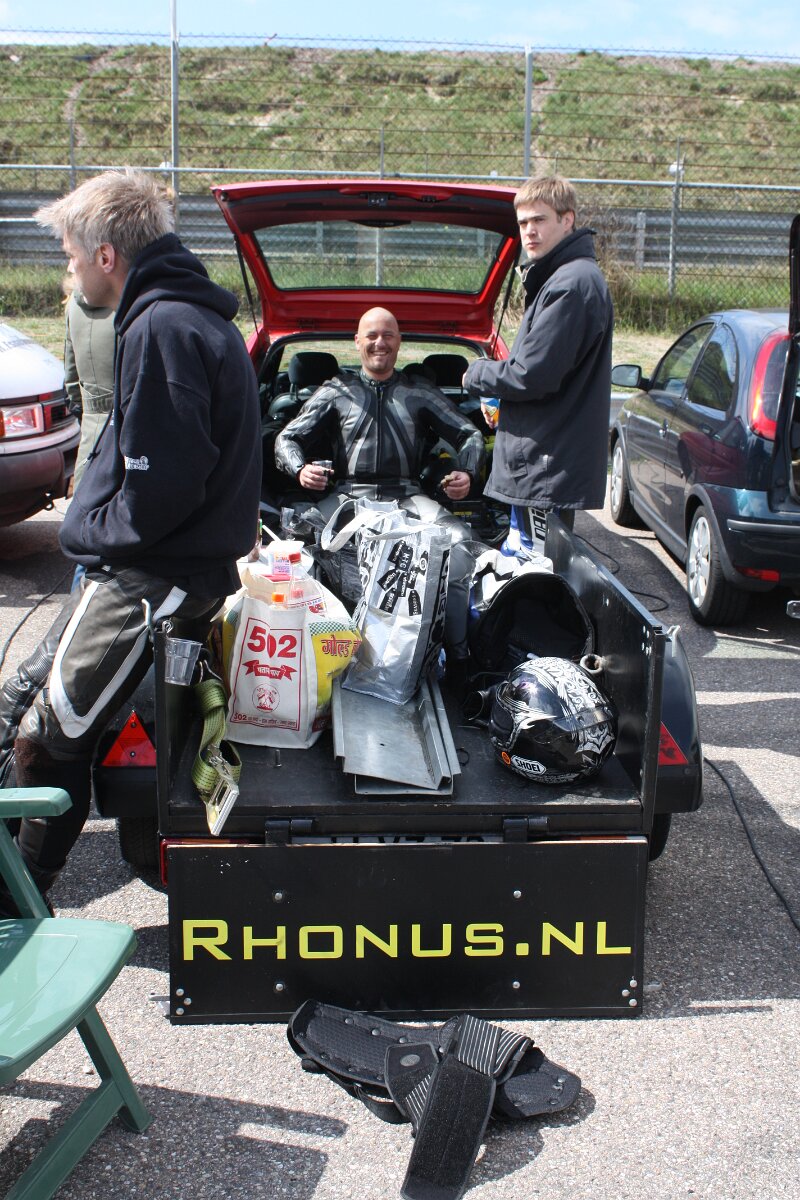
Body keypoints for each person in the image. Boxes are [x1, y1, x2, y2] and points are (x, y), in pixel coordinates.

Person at [0, 169, 261, 916]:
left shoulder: (164, 326)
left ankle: (19, 910)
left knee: (51, 736)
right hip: (147, 569)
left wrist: (85, 528)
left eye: (71, 256)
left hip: (155, 576)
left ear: (107, 255)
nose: (70, 270)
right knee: (19, 703)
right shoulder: (174, 316)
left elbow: (160, 491)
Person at [274, 306, 485, 671]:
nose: (379, 343)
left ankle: (459, 658)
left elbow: (470, 434)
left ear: (399, 342)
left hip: (408, 496)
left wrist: (466, 472)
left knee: (462, 543)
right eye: (371, 335)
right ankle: (306, 655)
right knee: (297, 548)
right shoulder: (336, 391)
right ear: (357, 341)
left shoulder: (419, 392)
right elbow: (286, 438)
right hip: (348, 497)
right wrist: (300, 469)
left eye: (388, 335)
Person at [462, 175, 613, 547]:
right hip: (545, 463)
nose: (529, 230)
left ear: (567, 219)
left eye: (539, 219)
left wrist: (476, 373)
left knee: (536, 569)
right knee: (529, 564)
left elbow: (531, 375)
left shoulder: (569, 285)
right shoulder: (564, 277)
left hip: (546, 466)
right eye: (523, 222)